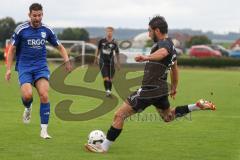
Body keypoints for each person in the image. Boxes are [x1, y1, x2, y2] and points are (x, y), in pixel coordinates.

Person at [85, 16, 216, 153]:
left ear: (157, 30)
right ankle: (197, 106)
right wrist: (174, 87)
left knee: (119, 115)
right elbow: (175, 70)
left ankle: (103, 147)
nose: (148, 34)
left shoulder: (164, 44)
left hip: (149, 90)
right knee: (168, 116)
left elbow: (163, 53)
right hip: (161, 90)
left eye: (149, 31)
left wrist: (146, 57)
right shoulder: (173, 48)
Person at [5, 3, 71, 139]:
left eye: (39, 15)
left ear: (42, 15)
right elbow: (12, 50)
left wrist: (67, 61)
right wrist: (8, 69)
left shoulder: (47, 30)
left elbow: (60, 47)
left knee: (44, 95)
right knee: (28, 95)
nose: (37, 18)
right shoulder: (21, 29)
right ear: (29, 15)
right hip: (24, 67)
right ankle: (28, 108)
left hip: (41, 67)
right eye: (34, 15)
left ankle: (44, 131)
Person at [94, 26, 120, 96]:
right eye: (108, 31)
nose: (109, 33)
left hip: (111, 63)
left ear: (113, 32)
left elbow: (117, 53)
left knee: (110, 79)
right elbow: (98, 49)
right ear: (106, 32)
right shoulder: (101, 41)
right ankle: (107, 91)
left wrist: (118, 63)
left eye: (110, 31)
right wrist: (96, 58)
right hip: (102, 62)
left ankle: (109, 90)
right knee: (106, 78)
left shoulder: (115, 42)